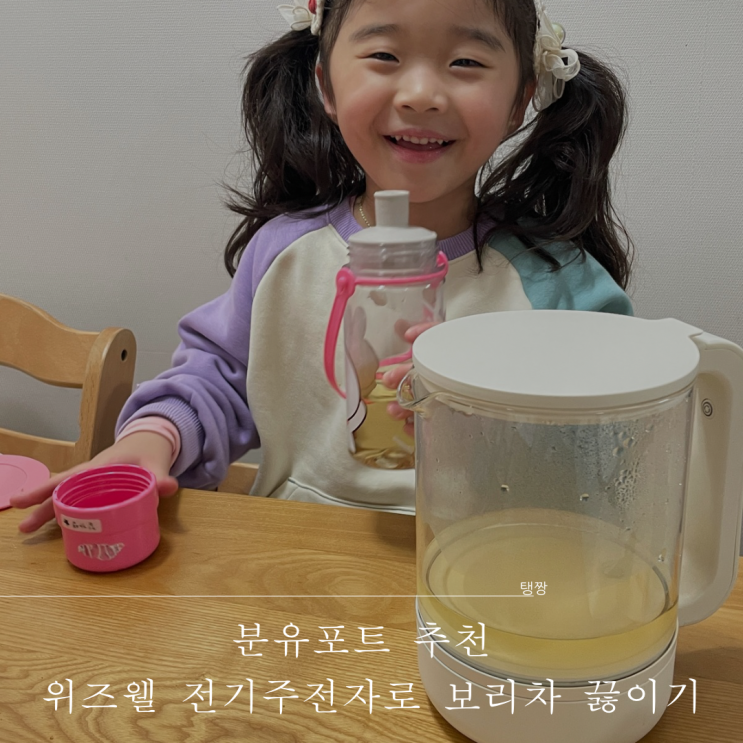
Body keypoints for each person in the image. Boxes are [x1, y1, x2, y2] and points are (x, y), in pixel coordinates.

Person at [12, 0, 634, 532]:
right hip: (294, 560)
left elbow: (617, 455)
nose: (421, 94)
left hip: (481, 572)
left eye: (466, 62)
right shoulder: (283, 253)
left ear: (522, 98)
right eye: (384, 55)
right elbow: (221, 378)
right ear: (326, 87)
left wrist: (501, 398)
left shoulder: (558, 284)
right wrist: (152, 439)